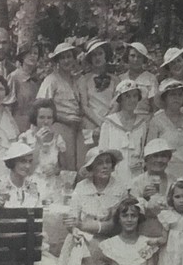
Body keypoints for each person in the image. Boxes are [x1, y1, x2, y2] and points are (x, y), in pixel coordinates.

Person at [59, 147, 128, 265]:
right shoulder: (81, 188)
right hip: (84, 240)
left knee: (80, 250)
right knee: (78, 243)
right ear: (91, 167)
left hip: (109, 240)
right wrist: (74, 229)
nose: (105, 166)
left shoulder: (119, 188)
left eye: (108, 162)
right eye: (99, 162)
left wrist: (84, 226)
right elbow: (72, 218)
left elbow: (113, 226)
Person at [37, 43, 84, 171]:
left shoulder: (75, 80)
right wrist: (65, 119)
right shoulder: (51, 80)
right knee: (63, 163)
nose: (66, 60)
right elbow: (42, 106)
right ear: (57, 61)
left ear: (74, 59)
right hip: (59, 126)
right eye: (62, 58)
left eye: (69, 56)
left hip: (76, 128)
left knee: (76, 163)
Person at [147, 79, 183, 181]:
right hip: (164, 174)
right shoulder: (157, 121)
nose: (177, 98)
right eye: (172, 94)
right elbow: (150, 154)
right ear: (165, 98)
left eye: (180, 95)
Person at [98, 80, 149, 184]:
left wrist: (142, 162)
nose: (132, 100)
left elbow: (144, 151)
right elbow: (102, 151)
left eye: (135, 96)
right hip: (113, 176)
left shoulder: (142, 123)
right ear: (120, 99)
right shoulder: (109, 123)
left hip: (136, 176)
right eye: (127, 96)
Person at [75, 39, 119, 143]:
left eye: (100, 53)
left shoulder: (115, 79)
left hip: (111, 122)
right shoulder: (83, 79)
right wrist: (100, 123)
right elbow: (84, 106)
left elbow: (117, 103)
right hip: (90, 123)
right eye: (94, 55)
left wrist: (107, 122)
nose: (97, 57)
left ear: (106, 55)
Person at [0, 141, 41, 209]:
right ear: (12, 162)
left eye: (30, 161)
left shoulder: (32, 186)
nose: (28, 166)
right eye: (23, 161)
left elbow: (38, 215)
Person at [18, 98, 68, 182]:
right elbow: (27, 171)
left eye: (49, 118)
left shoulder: (57, 139)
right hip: (30, 184)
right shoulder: (25, 138)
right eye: (41, 117)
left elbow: (63, 167)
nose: (46, 121)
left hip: (52, 185)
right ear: (35, 118)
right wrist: (38, 144)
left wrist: (55, 170)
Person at [5, 44, 41, 132]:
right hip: (18, 124)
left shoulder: (37, 79)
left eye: (35, 53)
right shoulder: (14, 77)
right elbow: (7, 106)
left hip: (35, 125)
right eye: (29, 53)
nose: (32, 56)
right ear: (22, 56)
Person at [121, 42, 160, 116]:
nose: (135, 59)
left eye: (139, 57)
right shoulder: (121, 78)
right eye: (132, 56)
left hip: (143, 119)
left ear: (143, 59)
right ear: (127, 57)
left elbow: (155, 107)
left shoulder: (150, 78)